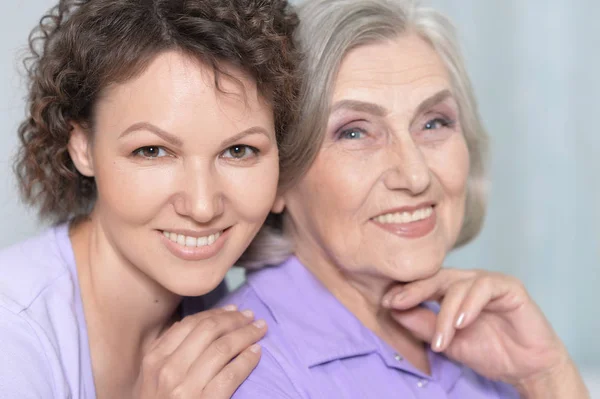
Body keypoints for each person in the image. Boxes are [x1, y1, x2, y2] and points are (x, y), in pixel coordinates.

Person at [222, 0, 590, 397]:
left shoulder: (490, 344)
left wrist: (546, 376)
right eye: (354, 132)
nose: (415, 176)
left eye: (434, 123)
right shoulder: (246, 370)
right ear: (277, 176)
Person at [0, 0, 299, 397]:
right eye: (153, 151)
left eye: (239, 151)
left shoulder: (223, 293)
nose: (203, 206)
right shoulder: (13, 334)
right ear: (84, 147)